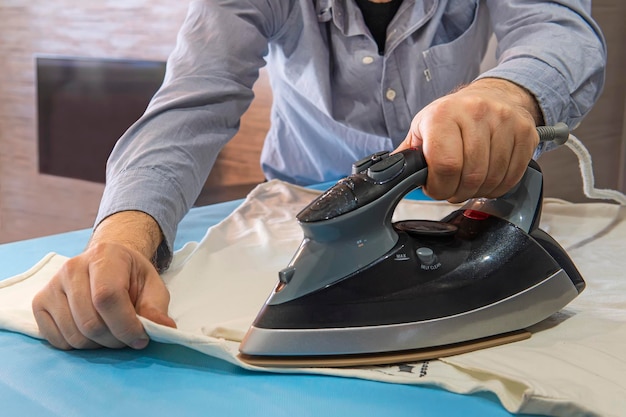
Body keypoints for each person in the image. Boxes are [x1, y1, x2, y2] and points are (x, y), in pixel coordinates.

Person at [31, 0, 606, 350]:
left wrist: (503, 95)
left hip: (454, 199)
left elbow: (560, 28)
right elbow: (190, 104)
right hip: (296, 207)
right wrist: (124, 240)